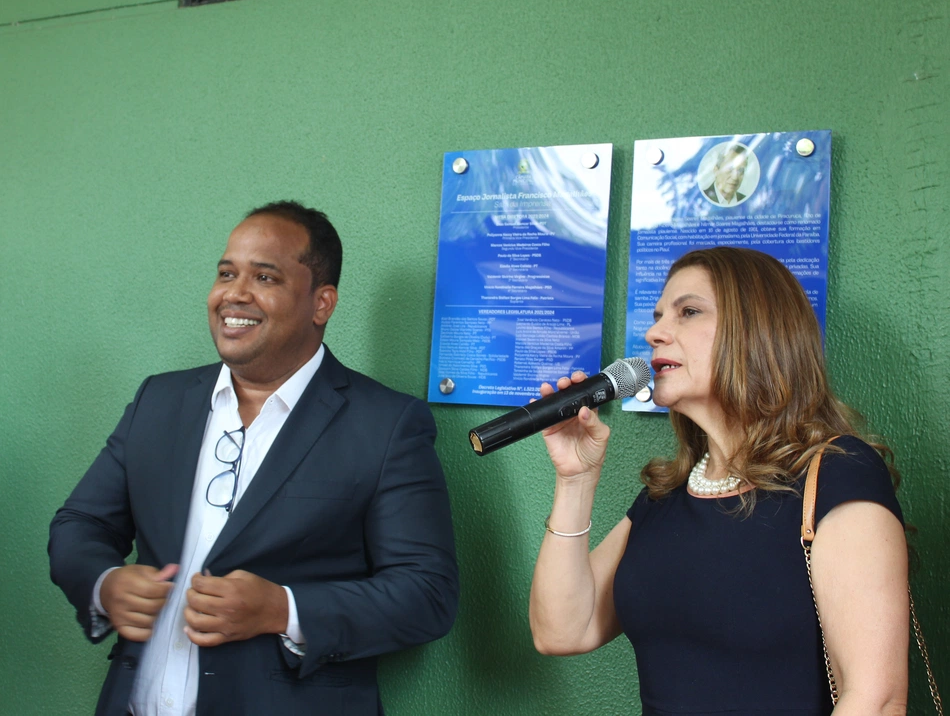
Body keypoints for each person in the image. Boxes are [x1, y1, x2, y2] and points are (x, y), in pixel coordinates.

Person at [49, 200, 458, 716]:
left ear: (321, 303)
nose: (234, 294)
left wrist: (282, 609)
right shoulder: (160, 400)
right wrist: (106, 583)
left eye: (264, 276)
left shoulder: (386, 425)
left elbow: (427, 595)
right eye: (226, 273)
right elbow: (79, 523)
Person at [529, 247, 908, 716]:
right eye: (658, 316)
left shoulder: (839, 474)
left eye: (688, 312)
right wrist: (575, 480)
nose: (653, 333)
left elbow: (876, 699)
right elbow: (562, 630)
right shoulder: (665, 497)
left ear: (757, 333)